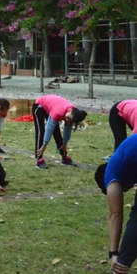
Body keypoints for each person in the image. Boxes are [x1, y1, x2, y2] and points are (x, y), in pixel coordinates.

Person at [94, 135, 137, 273]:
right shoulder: (125, 162)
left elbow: (115, 215)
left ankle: (121, 266)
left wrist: (114, 254)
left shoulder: (111, 176)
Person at [33, 94, 87, 169]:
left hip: (52, 107)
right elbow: (49, 129)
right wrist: (44, 145)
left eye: (69, 120)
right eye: (67, 118)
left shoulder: (73, 114)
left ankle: (64, 157)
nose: (67, 120)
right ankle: (39, 159)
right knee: (41, 131)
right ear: (70, 112)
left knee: (57, 132)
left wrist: (65, 143)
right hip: (40, 106)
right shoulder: (58, 112)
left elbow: (67, 131)